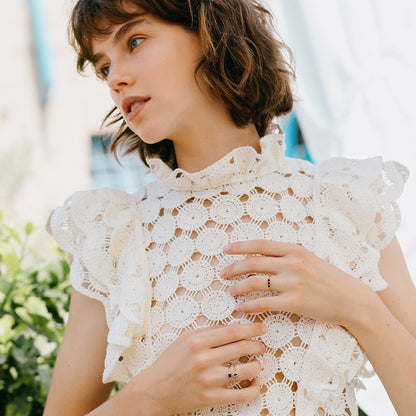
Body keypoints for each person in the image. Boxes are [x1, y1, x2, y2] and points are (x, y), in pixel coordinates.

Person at [43, 0, 416, 415]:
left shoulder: (344, 201)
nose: (116, 79)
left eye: (134, 40)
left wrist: (356, 306)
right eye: (103, 67)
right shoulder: (112, 235)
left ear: (208, 31)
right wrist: (146, 400)